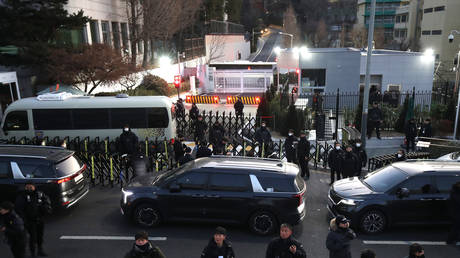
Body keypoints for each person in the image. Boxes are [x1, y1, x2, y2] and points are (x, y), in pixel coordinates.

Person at [15, 183, 52, 257]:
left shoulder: (40, 195)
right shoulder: (22, 196)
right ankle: (33, 253)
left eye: (31, 187)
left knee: (40, 236)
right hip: (29, 221)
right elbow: (19, 209)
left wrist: (45, 209)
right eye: (27, 187)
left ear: (34, 187)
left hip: (39, 219)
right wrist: (24, 219)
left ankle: (40, 250)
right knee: (32, 237)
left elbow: (47, 202)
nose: (29, 188)